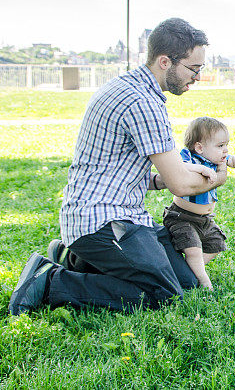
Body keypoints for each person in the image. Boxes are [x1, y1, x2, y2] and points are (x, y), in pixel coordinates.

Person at [9, 18, 223, 315]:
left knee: (187, 281)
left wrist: (158, 181)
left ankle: (74, 259)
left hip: (115, 215)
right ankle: (50, 282)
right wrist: (218, 176)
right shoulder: (142, 102)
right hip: (103, 221)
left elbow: (116, 167)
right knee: (165, 295)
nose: (198, 76)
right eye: (194, 68)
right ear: (165, 62)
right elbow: (183, 185)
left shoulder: (127, 85)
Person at [163, 117, 235, 289]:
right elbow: (180, 167)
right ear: (199, 147)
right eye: (220, 146)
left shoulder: (219, 159)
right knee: (193, 249)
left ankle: (186, 270)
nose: (225, 151)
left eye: (226, 145)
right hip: (182, 217)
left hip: (205, 219)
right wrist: (201, 169)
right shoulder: (189, 156)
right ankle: (204, 283)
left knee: (216, 243)